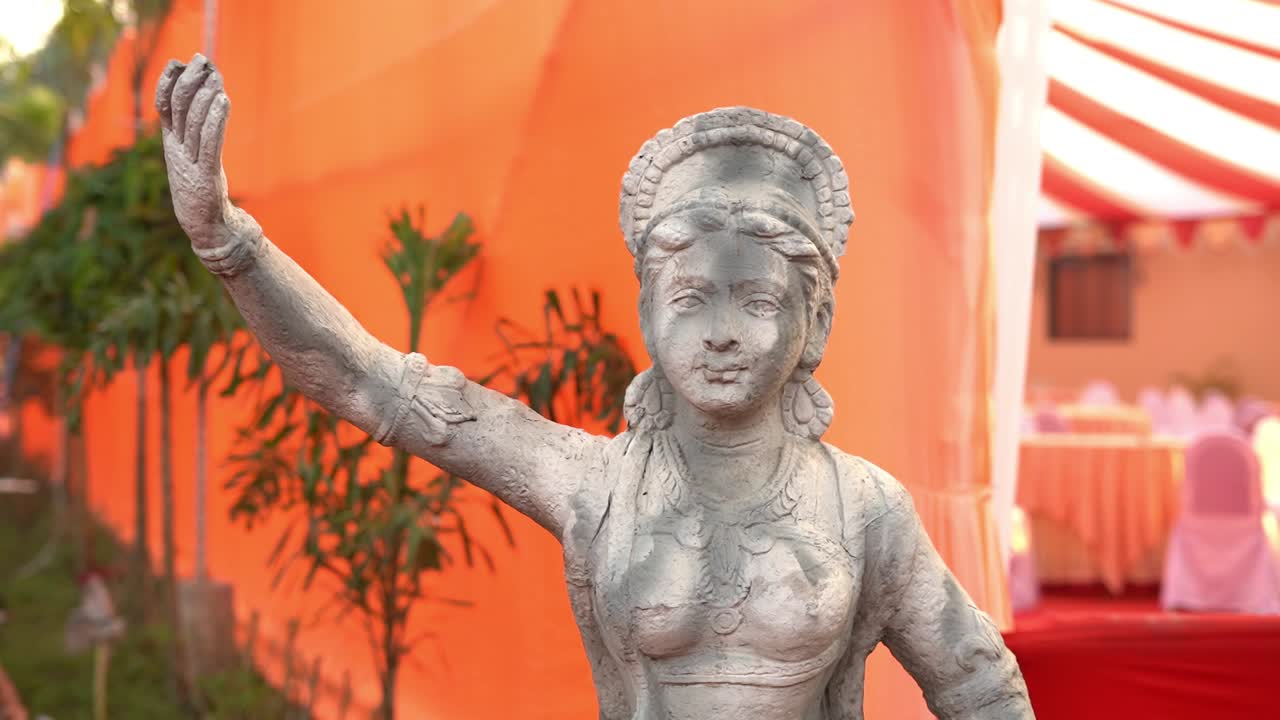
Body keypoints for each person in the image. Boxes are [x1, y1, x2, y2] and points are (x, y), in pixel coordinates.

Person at [156, 53, 1032, 719]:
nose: (721, 332)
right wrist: (227, 242)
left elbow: (978, 680)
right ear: (648, 313)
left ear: (818, 325)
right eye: (691, 299)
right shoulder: (593, 482)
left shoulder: (862, 507)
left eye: (759, 299)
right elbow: (372, 385)